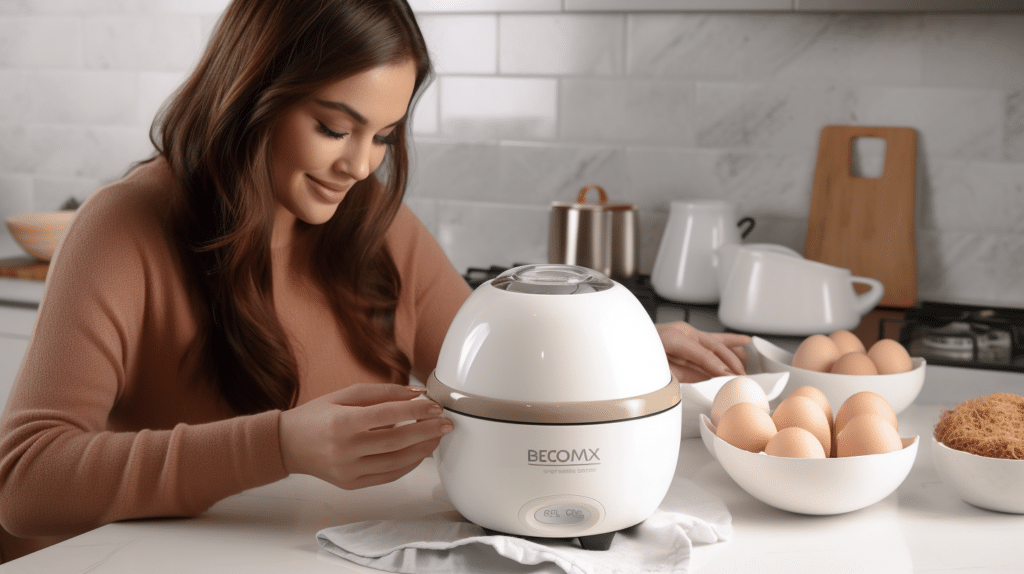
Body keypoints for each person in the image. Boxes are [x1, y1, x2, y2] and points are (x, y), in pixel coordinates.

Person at [0, 0, 749, 563]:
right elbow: (24, 481)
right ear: (252, 93)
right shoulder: (123, 227)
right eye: (334, 127)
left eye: (383, 136)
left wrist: (613, 353)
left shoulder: (373, 225)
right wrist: (280, 444)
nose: (360, 166)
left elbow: (487, 369)